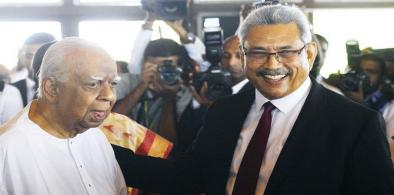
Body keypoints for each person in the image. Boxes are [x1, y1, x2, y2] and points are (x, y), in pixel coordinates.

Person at [117, 4, 394, 195]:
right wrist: (97, 152)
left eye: (286, 51)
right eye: (259, 53)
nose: (272, 65)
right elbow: (188, 177)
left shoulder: (356, 124)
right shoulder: (224, 111)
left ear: (309, 54)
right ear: (245, 56)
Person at [0, 37, 127, 194]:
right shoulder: (7, 149)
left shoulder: (95, 135)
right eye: (93, 84)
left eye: (113, 84)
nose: (109, 96)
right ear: (52, 88)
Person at [113, 38, 193, 143]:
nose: (165, 73)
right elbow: (108, 124)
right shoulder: (125, 82)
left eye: (170, 68)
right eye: (159, 67)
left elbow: (168, 143)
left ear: (180, 68)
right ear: (144, 64)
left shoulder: (183, 93)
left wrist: (168, 99)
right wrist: (142, 86)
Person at [11, 32, 55, 106]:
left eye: (40, 56)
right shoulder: (10, 90)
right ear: (21, 57)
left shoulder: (64, 90)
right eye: (29, 56)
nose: (33, 62)